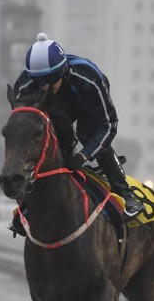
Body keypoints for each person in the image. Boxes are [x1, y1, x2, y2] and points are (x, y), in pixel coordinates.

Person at [9, 32, 143, 236]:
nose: (44, 86)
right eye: (38, 80)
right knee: (37, 140)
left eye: (49, 79)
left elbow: (107, 126)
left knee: (88, 133)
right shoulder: (26, 86)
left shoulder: (88, 79)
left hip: (84, 106)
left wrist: (83, 156)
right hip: (50, 112)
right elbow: (22, 126)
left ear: (62, 72)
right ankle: (26, 205)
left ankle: (126, 193)